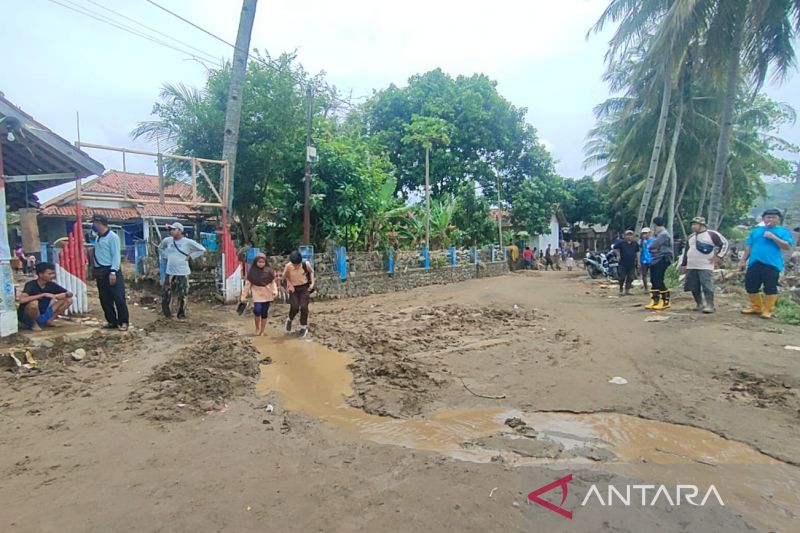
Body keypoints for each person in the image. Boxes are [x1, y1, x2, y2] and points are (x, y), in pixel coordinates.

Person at [740, 208, 794, 319]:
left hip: (772, 264)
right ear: (763, 219)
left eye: (774, 217)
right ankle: (756, 307)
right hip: (754, 262)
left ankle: (768, 310)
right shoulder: (756, 231)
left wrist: (773, 237)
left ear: (779, 219)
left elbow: (787, 246)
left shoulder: (783, 232)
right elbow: (748, 247)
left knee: (770, 287)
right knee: (750, 285)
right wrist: (742, 260)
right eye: (768, 217)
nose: (770, 219)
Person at [679, 217, 728, 314]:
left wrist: (719, 256)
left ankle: (710, 305)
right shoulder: (691, 237)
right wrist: (684, 264)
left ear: (701, 225)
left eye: (695, 224)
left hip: (705, 265)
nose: (693, 226)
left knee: (707, 285)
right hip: (692, 265)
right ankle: (699, 303)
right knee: (693, 286)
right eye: (692, 224)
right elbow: (686, 251)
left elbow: (725, 244)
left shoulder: (711, 234)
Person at [158, 222, 206, 319]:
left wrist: (191, 256)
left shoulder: (187, 242)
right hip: (170, 272)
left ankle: (181, 314)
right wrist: (165, 256)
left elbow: (202, 249)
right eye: (171, 229)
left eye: (174, 229)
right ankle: (167, 314)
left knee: (182, 294)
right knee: (166, 293)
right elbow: (160, 248)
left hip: (182, 272)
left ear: (180, 231)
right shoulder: (167, 241)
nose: (171, 231)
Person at [91, 215, 130, 331]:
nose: (93, 225)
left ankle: (123, 321)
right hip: (100, 271)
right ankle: (112, 320)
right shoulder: (98, 237)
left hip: (111, 269)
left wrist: (113, 271)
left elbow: (116, 255)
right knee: (104, 298)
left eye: (94, 223)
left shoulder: (112, 237)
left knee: (118, 297)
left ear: (99, 223)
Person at [18, 262, 73, 331]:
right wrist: (43, 294)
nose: (53, 276)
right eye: (49, 274)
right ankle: (33, 324)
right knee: (33, 304)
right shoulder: (31, 285)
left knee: (68, 300)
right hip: (28, 316)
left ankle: (49, 320)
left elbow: (70, 293)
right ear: (40, 274)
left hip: (43, 313)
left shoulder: (51, 285)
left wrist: (64, 295)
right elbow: (22, 300)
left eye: (53, 273)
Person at [241, 253, 277, 336]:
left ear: (265, 262)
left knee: (264, 312)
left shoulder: (269, 271)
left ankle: (262, 330)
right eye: (259, 262)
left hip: (267, 293)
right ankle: (257, 328)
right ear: (256, 262)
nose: (261, 264)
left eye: (263, 262)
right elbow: (247, 285)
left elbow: (273, 282)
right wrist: (243, 296)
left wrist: (275, 291)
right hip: (257, 293)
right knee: (257, 310)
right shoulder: (252, 272)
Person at [282, 250, 315, 338]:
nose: (296, 266)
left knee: (304, 307)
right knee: (295, 307)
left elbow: (311, 272)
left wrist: (312, 284)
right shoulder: (288, 266)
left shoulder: (305, 264)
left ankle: (303, 327)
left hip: (304, 288)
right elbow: (284, 278)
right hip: (294, 289)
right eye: (294, 265)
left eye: (298, 265)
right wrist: (289, 285)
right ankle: (289, 319)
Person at [645, 217, 674, 310]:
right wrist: (653, 248)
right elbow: (653, 247)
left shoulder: (663, 234)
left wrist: (653, 248)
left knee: (658, 279)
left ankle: (665, 301)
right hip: (655, 259)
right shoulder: (658, 234)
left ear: (655, 224)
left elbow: (652, 246)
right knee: (653, 280)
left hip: (662, 258)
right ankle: (654, 300)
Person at [614, 230, 640, 296]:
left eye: (631, 235)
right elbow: (615, 248)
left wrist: (638, 261)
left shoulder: (635, 244)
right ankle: (621, 289)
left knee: (631, 277)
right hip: (623, 263)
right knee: (622, 277)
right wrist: (618, 255)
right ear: (625, 236)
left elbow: (637, 252)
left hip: (631, 264)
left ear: (633, 236)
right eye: (628, 235)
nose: (629, 236)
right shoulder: (621, 243)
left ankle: (627, 290)